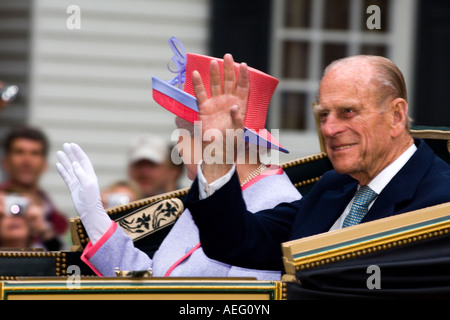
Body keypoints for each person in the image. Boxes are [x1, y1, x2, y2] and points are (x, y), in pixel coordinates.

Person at [55, 38, 301, 279]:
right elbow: (157, 281)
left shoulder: (277, 204)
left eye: (182, 131)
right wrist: (94, 217)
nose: (178, 147)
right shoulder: (208, 193)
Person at [183, 54, 450, 272]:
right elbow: (237, 241)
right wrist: (218, 150)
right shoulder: (334, 186)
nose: (330, 129)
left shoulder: (439, 202)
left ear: (396, 115)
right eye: (323, 115)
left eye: (348, 112)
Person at [1, 126, 68, 250]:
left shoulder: (58, 220)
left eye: (35, 153)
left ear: (44, 165)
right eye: (19, 152)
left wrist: (45, 230)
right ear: (5, 162)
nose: (27, 160)